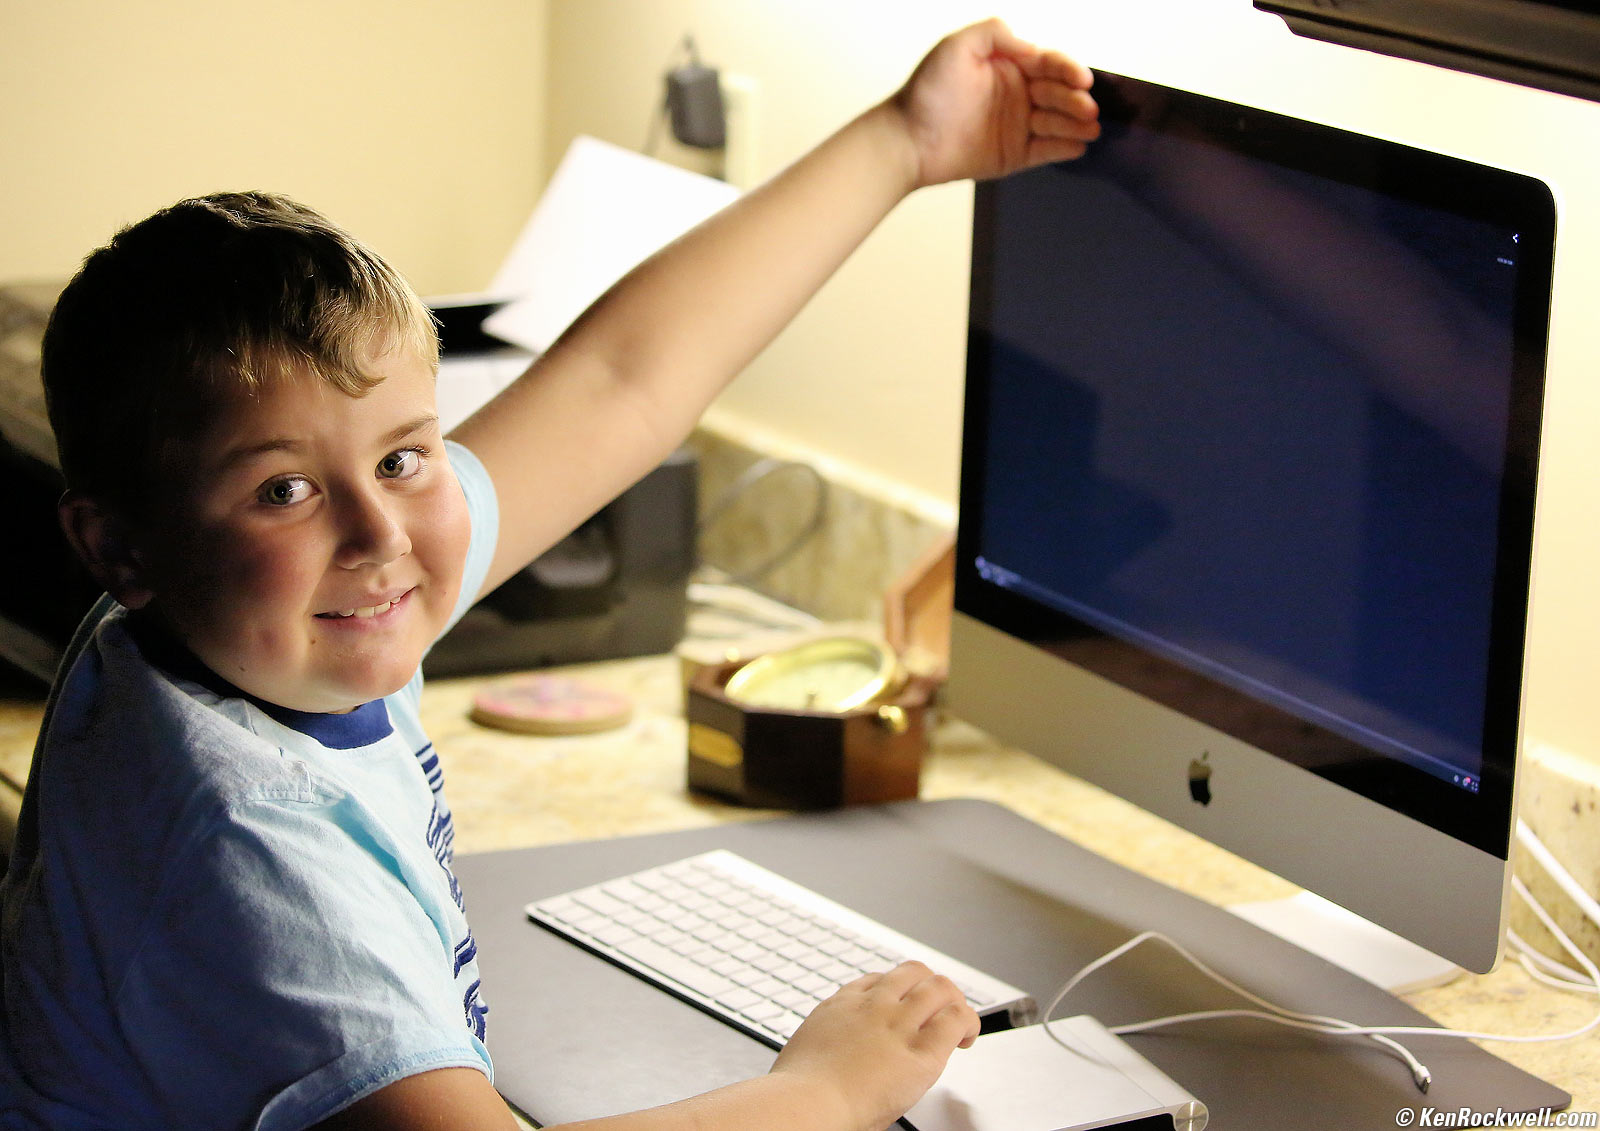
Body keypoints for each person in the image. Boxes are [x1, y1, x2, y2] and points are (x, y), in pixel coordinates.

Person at [0, 19, 1099, 1131]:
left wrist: (907, 142)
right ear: (120, 547)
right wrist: (825, 1091)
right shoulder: (257, 836)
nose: (380, 533)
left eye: (402, 457)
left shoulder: (207, 642)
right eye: (283, 490)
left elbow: (622, 381)